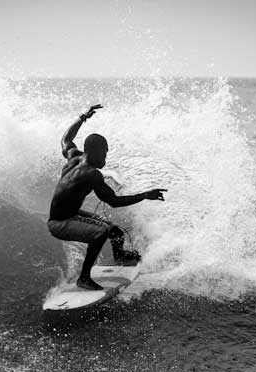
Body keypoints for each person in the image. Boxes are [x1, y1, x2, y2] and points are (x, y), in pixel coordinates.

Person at [47, 104, 167, 291]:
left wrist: (82, 117)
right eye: (105, 152)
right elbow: (114, 201)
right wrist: (145, 195)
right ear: (94, 152)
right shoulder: (91, 174)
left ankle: (119, 257)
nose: (106, 157)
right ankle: (84, 278)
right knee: (101, 232)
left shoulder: (73, 156)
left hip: (70, 213)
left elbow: (66, 138)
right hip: (59, 222)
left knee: (114, 230)